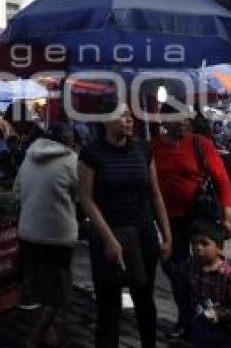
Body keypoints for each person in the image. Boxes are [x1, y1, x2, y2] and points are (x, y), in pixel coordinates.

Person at [79, 103, 172, 348]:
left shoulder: (143, 150)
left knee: (144, 298)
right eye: (122, 116)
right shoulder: (92, 153)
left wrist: (167, 234)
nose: (129, 119)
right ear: (106, 121)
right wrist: (109, 239)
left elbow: (155, 194)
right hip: (109, 234)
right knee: (109, 303)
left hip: (143, 234)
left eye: (130, 115)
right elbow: (86, 198)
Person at [150, 108, 231, 340]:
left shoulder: (200, 143)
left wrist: (227, 216)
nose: (185, 123)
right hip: (169, 220)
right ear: (165, 121)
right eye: (179, 118)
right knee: (175, 269)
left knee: (208, 268)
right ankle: (186, 316)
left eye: (187, 118)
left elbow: (222, 180)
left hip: (200, 217)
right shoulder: (153, 147)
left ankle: (215, 318)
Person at [14, 122, 79, 348]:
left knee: (41, 290)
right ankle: (35, 336)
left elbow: (17, 192)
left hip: (28, 233)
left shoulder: (29, 157)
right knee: (61, 295)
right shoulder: (71, 160)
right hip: (58, 236)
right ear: (68, 141)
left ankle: (49, 334)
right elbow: (82, 195)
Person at [185, 218, 231, 348]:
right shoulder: (191, 266)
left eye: (204, 243)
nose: (197, 248)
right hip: (201, 324)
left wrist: (220, 314)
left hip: (227, 330)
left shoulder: (228, 275)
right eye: (194, 243)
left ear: (219, 248)